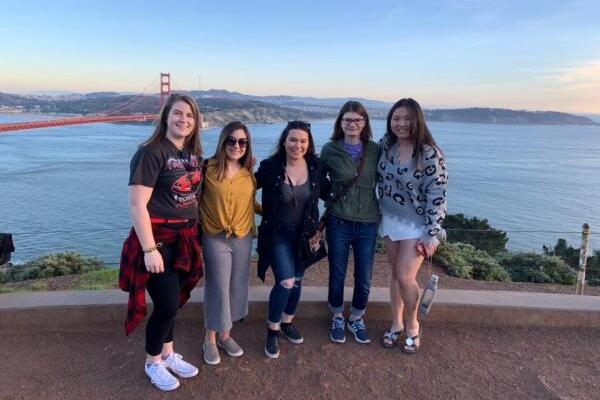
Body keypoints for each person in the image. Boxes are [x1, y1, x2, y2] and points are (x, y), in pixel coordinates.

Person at [119, 93, 203, 391]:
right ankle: (152, 362)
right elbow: (136, 205)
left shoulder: (190, 154)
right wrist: (149, 249)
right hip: (160, 242)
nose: (184, 120)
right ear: (166, 116)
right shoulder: (151, 153)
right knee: (167, 305)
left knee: (174, 303)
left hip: (185, 240)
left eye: (190, 116)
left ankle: (167, 354)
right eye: (178, 113)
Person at [377, 98, 447, 353]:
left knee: (406, 276)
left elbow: (437, 195)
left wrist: (431, 234)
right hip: (389, 218)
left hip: (416, 225)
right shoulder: (385, 145)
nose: (401, 124)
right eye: (396, 118)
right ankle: (395, 323)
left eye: (407, 119)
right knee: (395, 273)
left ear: (417, 120)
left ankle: (412, 325)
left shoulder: (429, 153)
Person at [255, 121, 328, 359]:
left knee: (297, 280)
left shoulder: (316, 167)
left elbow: (330, 194)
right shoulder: (270, 167)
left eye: (303, 141)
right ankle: (272, 329)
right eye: (293, 140)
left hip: (304, 235)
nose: (298, 145)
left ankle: (287, 322)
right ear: (284, 141)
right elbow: (243, 186)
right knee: (285, 281)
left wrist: (324, 223)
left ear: (309, 144)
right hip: (277, 234)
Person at [320, 101, 380, 344]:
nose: (352, 124)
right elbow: (316, 179)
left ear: (364, 123)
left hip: (368, 222)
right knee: (337, 274)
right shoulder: (330, 149)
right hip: (339, 221)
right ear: (340, 123)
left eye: (357, 120)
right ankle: (336, 315)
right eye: (348, 120)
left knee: (364, 276)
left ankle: (356, 317)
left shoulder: (376, 150)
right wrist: (330, 197)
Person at [199, 121, 257, 365]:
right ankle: (210, 339)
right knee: (218, 287)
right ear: (223, 142)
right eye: (231, 140)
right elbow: (191, 199)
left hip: (243, 237)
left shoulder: (248, 173)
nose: (237, 145)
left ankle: (226, 335)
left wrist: (278, 211)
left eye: (242, 142)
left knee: (236, 285)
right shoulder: (207, 169)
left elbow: (250, 203)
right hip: (215, 236)